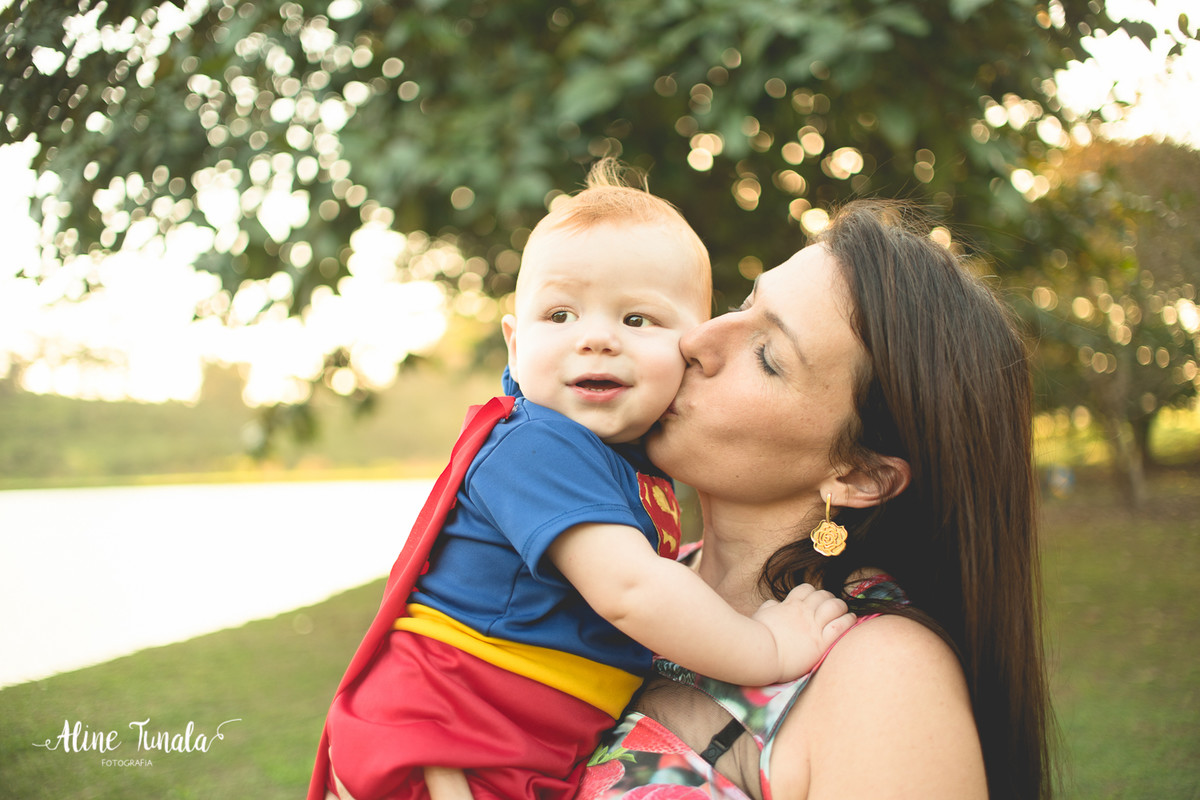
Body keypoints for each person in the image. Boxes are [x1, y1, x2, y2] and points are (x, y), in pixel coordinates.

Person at [309, 160, 856, 800]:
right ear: (514, 345)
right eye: (561, 314)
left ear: (690, 346)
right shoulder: (537, 445)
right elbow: (630, 589)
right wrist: (767, 649)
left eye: (635, 320)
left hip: (508, 741)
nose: (594, 338)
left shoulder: (621, 464)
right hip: (451, 734)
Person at [578, 199, 1054, 800]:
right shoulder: (631, 576)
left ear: (860, 475)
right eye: (745, 304)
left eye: (768, 357)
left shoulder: (880, 676)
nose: (698, 339)